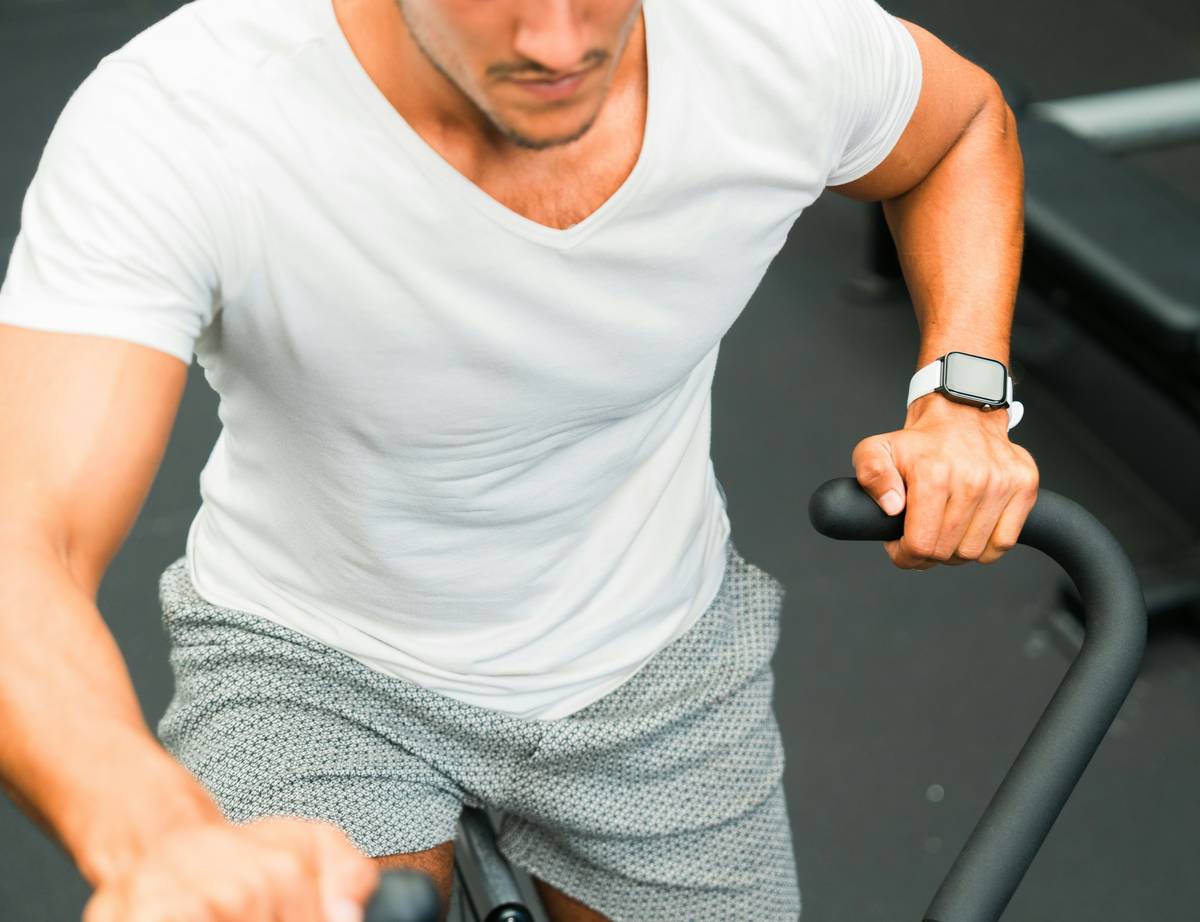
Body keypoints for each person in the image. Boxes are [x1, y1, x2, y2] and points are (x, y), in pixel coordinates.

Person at [0, 0, 1039, 918]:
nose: (555, 39)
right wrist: (156, 836)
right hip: (312, 657)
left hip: (655, 648)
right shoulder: (189, 111)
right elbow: (20, 539)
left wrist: (964, 392)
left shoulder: (772, 36)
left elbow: (961, 126)